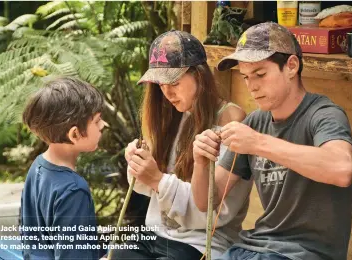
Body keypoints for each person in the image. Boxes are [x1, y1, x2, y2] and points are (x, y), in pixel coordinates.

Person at [192, 22, 352, 260]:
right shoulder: (255, 122)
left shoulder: (324, 115)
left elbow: (342, 170)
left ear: (291, 66)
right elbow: (206, 202)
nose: (252, 87)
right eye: (245, 77)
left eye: (260, 74)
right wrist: (200, 161)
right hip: (252, 248)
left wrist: (258, 143)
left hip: (304, 254)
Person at [108, 30, 253, 259]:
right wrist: (137, 163)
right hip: (155, 236)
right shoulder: (174, 114)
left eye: (174, 82)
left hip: (201, 244)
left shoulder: (230, 121)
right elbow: (147, 188)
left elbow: (212, 212)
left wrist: (157, 179)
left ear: (199, 75)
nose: (167, 93)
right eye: (160, 84)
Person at [21, 77, 105, 259]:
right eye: (97, 121)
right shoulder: (73, 190)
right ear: (75, 134)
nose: (103, 125)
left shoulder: (37, 166)